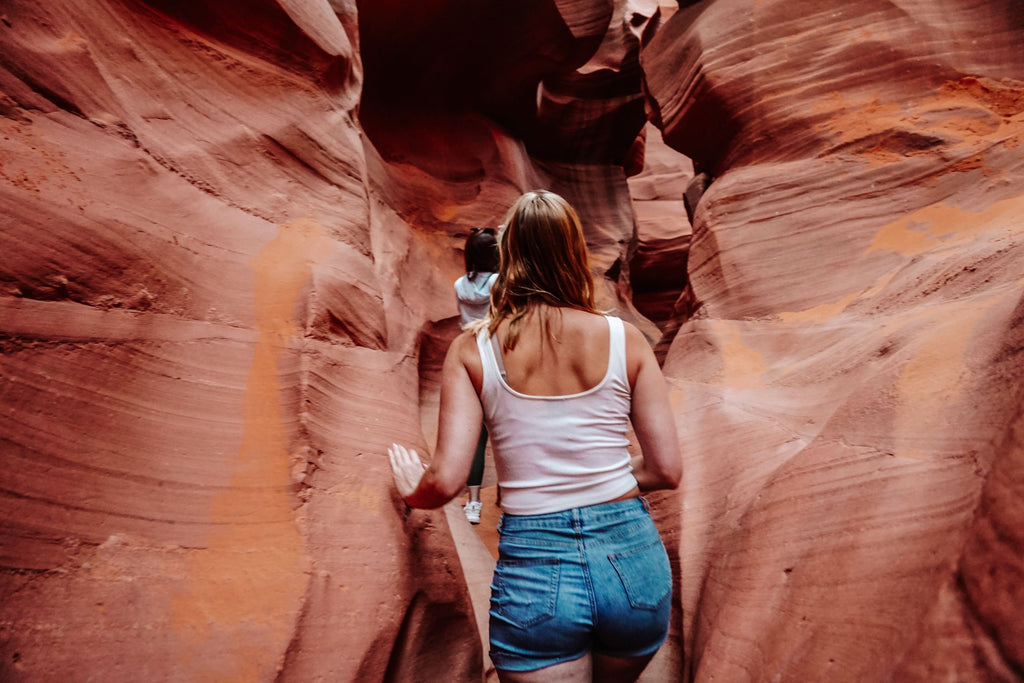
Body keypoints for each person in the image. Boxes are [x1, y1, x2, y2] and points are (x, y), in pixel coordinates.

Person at [389, 190, 681, 682]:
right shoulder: (625, 339)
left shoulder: (473, 349)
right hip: (633, 562)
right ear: (574, 252)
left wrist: (410, 489)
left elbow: (446, 482)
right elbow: (666, 470)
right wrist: (598, 476)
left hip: (537, 566)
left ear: (512, 256)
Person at [453, 227, 500, 524]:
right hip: (497, 354)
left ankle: (473, 504)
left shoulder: (460, 285)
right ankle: (507, 503)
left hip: (470, 354)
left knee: (478, 437)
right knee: (506, 432)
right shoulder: (498, 281)